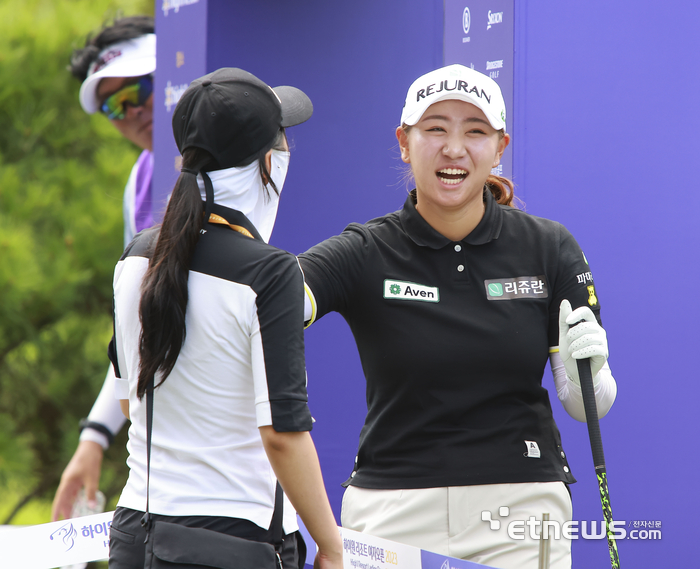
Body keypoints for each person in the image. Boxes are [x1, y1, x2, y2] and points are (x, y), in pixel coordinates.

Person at [297, 64, 617, 569]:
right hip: (392, 509)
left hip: (522, 508)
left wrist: (593, 370)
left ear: (499, 147)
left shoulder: (549, 247)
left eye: (474, 131)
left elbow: (584, 405)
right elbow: (278, 303)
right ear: (404, 142)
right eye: (435, 129)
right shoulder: (366, 249)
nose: (454, 148)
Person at [107, 68, 342, 569]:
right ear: (265, 163)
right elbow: (281, 433)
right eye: (283, 142)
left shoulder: (136, 256)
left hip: (135, 534)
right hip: (234, 541)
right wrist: (330, 543)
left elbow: (131, 401)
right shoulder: (270, 272)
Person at [52, 16, 154, 521]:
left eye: (140, 88)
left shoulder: (235, 157)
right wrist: (94, 437)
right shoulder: (140, 185)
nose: (133, 111)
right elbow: (135, 332)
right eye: (115, 104)